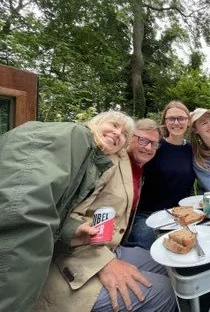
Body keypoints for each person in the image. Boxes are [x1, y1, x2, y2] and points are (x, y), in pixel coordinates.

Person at [34, 118, 176, 312]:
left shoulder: (138, 169)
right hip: (72, 258)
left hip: (110, 246)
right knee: (163, 290)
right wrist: (105, 264)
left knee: (166, 263)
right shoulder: (107, 162)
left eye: (154, 144)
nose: (149, 147)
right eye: (143, 140)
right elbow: (67, 219)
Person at [0, 110, 134, 311]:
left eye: (124, 134)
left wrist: (72, 231)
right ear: (95, 122)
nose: (117, 134)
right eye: (114, 125)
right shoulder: (75, 137)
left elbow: (51, 208)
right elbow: (23, 214)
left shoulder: (91, 160)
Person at [128, 101, 196, 249]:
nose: (176, 122)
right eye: (171, 118)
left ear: (188, 122)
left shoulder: (192, 150)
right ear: (165, 121)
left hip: (180, 216)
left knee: (187, 249)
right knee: (153, 249)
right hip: (148, 215)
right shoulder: (153, 146)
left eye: (181, 118)